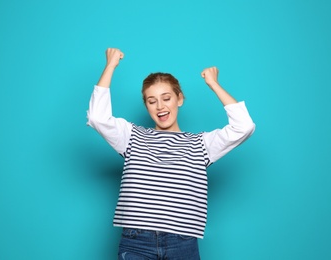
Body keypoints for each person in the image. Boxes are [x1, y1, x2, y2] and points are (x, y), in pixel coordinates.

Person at [87, 48, 255, 260]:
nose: (160, 106)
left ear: (180, 99)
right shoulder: (131, 136)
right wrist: (110, 66)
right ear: (146, 106)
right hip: (136, 242)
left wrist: (214, 84)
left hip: (182, 243)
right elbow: (97, 117)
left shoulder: (201, 144)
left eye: (166, 98)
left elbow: (244, 127)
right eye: (151, 100)